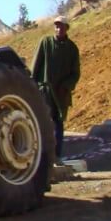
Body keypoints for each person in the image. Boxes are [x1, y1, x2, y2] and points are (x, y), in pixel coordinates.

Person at [31, 15, 81, 159]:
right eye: (57, 26)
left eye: (61, 26)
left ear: (66, 28)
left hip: (61, 94)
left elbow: (75, 73)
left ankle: (56, 156)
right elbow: (35, 66)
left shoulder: (72, 49)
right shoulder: (45, 43)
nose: (59, 29)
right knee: (42, 123)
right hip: (44, 91)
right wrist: (33, 86)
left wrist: (66, 86)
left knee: (58, 124)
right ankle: (42, 157)